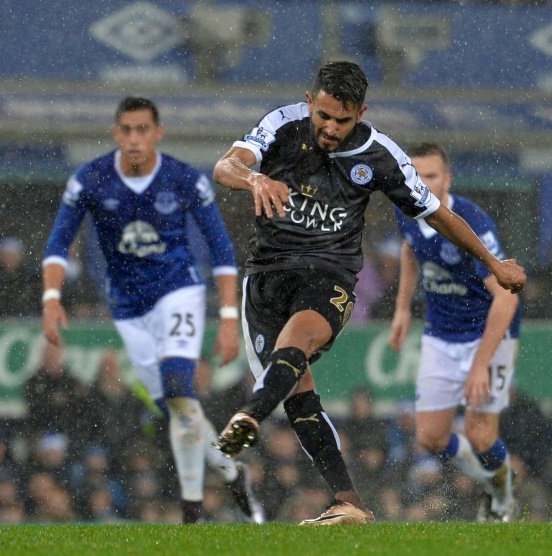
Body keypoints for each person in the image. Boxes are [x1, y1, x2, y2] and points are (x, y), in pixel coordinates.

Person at [211, 61, 526, 525]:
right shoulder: (280, 124)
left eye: (343, 119)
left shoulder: (381, 156)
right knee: (299, 397)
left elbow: (438, 215)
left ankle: (250, 414)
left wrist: (494, 264)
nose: (331, 128)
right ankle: (350, 503)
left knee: (296, 343)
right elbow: (225, 165)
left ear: (361, 111)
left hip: (329, 276)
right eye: (323, 116)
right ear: (309, 101)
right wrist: (255, 178)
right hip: (266, 278)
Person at [42, 96, 264, 524]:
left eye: (143, 129)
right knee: (178, 410)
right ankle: (232, 472)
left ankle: (192, 510)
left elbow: (221, 249)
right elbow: (57, 244)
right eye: (126, 130)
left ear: (158, 133)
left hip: (178, 292)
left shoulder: (184, 180)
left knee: (181, 390)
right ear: (115, 133)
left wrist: (229, 321)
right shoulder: (90, 180)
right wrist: (51, 300)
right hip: (128, 307)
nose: (134, 138)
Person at [388, 142, 523, 522]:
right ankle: (498, 476)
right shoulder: (407, 210)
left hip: (490, 333)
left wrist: (481, 365)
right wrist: (401, 309)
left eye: (431, 177)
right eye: (416, 177)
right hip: (441, 331)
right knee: (430, 437)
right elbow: (410, 251)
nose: (423, 185)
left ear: (447, 179)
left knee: (481, 436)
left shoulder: (472, 223)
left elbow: (507, 299)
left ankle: (501, 497)